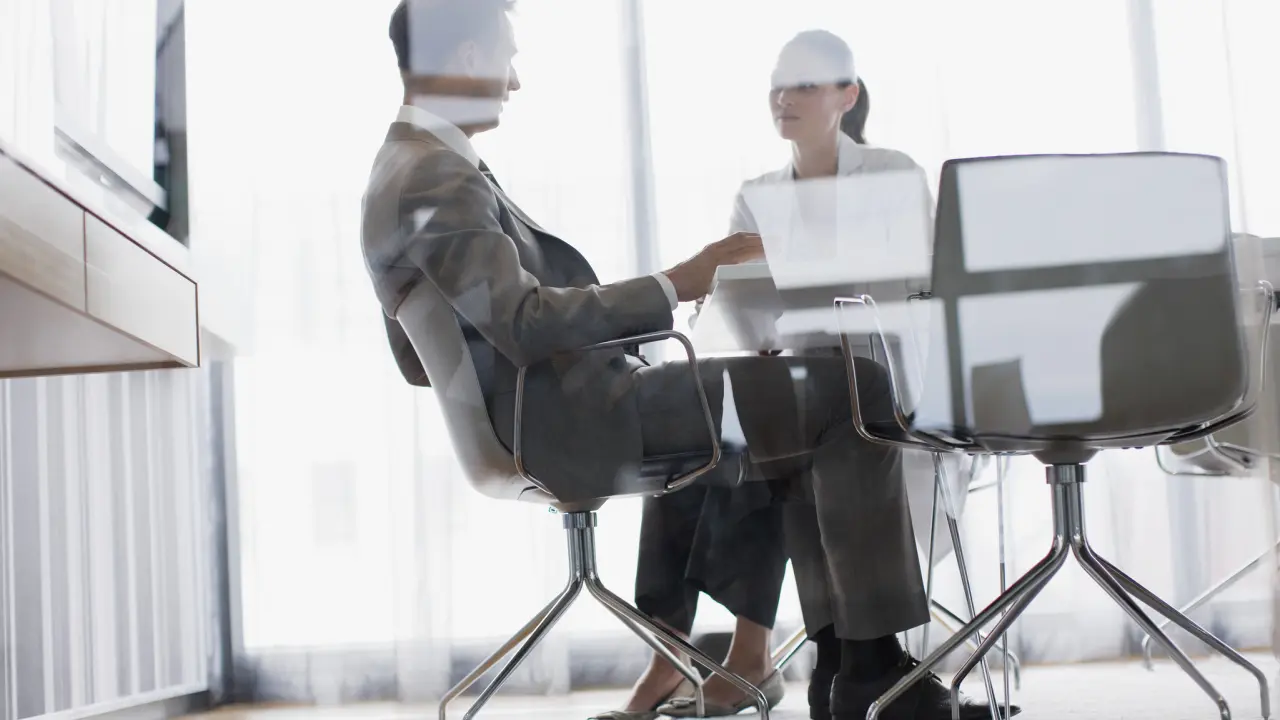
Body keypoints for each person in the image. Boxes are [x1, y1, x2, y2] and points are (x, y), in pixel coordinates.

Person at [362, 3, 1014, 719]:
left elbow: (421, 357)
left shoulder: (413, 167)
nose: (513, 82)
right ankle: (868, 672)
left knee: (807, 409)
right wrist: (677, 282)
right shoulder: (434, 174)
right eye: (505, 60)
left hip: (558, 407)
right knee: (851, 390)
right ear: (464, 58)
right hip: (571, 420)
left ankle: (837, 664)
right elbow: (522, 320)